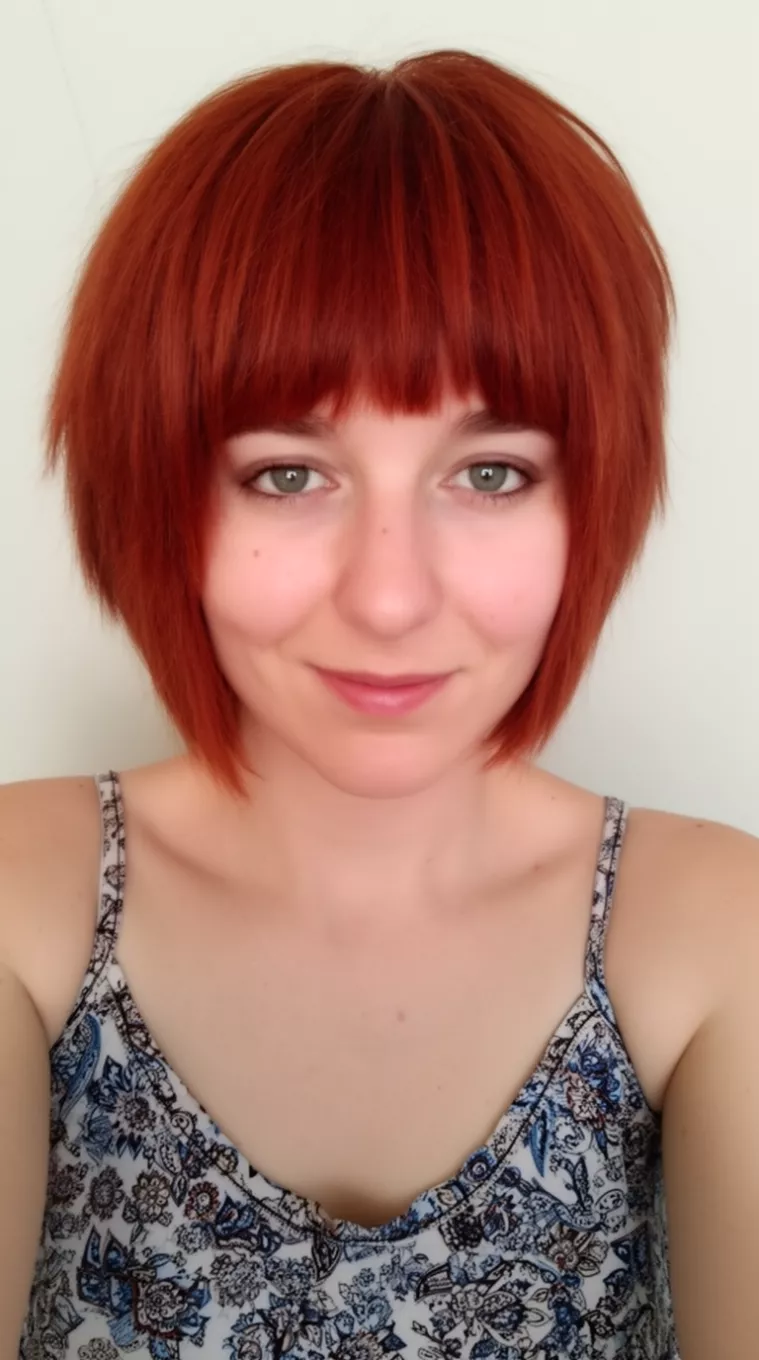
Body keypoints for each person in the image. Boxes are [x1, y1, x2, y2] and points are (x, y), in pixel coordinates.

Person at [1, 45, 756, 1360]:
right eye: (288, 475)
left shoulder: (705, 939)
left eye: (493, 474)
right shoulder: (30, 908)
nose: (391, 597)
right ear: (154, 486)